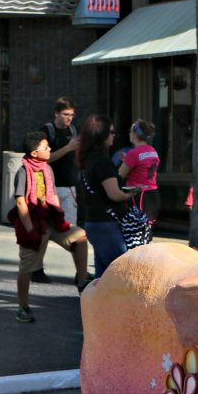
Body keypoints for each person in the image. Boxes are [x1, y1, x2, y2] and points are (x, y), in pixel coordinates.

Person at [10, 132, 92, 323]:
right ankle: (22, 307)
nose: (49, 150)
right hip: (34, 224)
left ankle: (81, 280)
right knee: (26, 268)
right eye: (45, 148)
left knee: (80, 237)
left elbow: (53, 195)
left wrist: (59, 217)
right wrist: (30, 229)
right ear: (34, 153)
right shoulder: (23, 172)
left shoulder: (47, 169)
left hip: (51, 221)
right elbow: (21, 202)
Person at [76, 115, 137, 277]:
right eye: (110, 132)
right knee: (121, 271)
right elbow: (114, 194)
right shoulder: (103, 162)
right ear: (100, 136)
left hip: (94, 222)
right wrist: (131, 192)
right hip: (107, 224)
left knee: (103, 275)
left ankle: (97, 302)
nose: (113, 135)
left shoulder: (87, 161)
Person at [35, 97, 80, 284]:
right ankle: (36, 269)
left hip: (69, 186)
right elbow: (43, 158)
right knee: (44, 230)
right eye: (65, 114)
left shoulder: (73, 130)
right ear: (56, 113)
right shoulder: (47, 131)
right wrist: (68, 148)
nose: (69, 118)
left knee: (73, 231)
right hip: (49, 187)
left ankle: (81, 271)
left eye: (71, 115)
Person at [118, 120, 161, 223]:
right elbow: (143, 167)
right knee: (146, 232)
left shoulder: (133, 153)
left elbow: (119, 175)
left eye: (130, 131)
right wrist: (127, 161)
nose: (129, 133)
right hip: (152, 194)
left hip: (139, 195)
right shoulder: (152, 151)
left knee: (135, 232)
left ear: (135, 134)